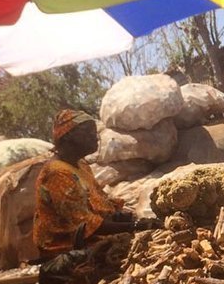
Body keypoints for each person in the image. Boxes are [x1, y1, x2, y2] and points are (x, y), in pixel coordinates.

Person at [33, 109, 155, 259]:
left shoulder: (81, 165)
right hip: (66, 249)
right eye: (88, 132)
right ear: (68, 136)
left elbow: (100, 201)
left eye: (94, 132)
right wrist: (134, 226)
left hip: (90, 241)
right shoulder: (57, 173)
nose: (95, 137)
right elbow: (85, 225)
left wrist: (125, 216)